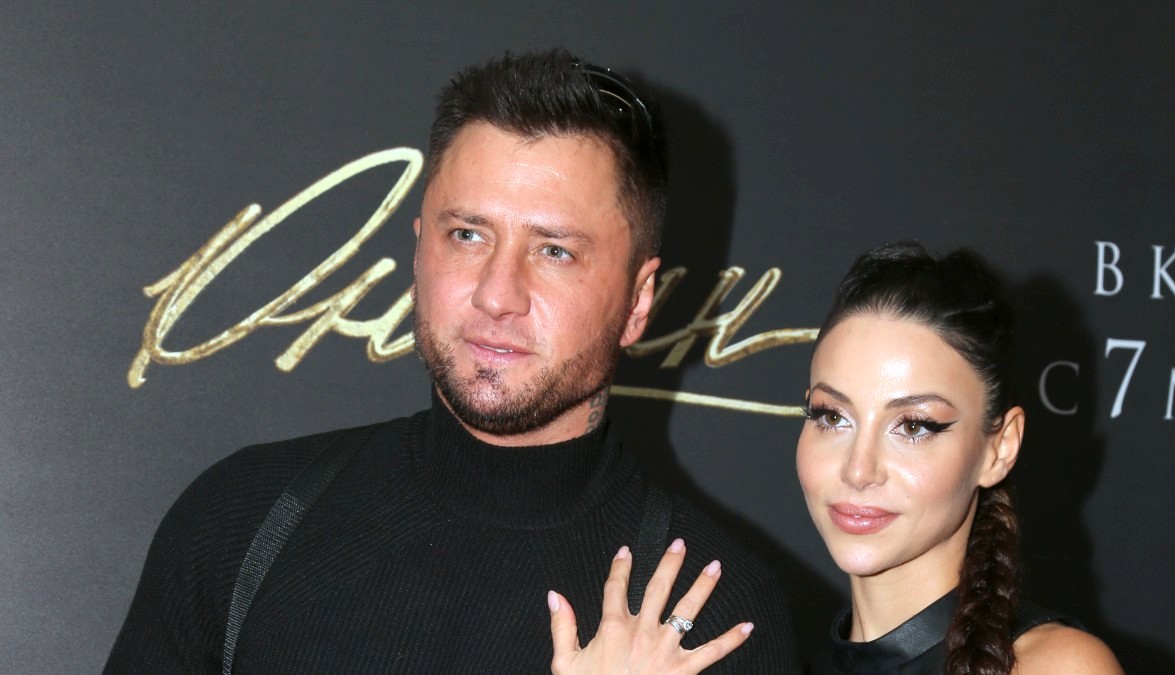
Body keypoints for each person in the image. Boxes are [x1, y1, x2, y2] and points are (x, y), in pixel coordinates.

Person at [103, 49, 799, 673]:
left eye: (554, 250)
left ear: (638, 300)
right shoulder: (242, 522)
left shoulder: (709, 619)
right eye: (467, 235)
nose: (498, 294)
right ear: (419, 251)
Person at [548, 241, 1122, 674]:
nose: (858, 469)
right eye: (832, 417)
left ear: (1000, 448)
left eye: (913, 426)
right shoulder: (777, 662)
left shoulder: (1057, 666)